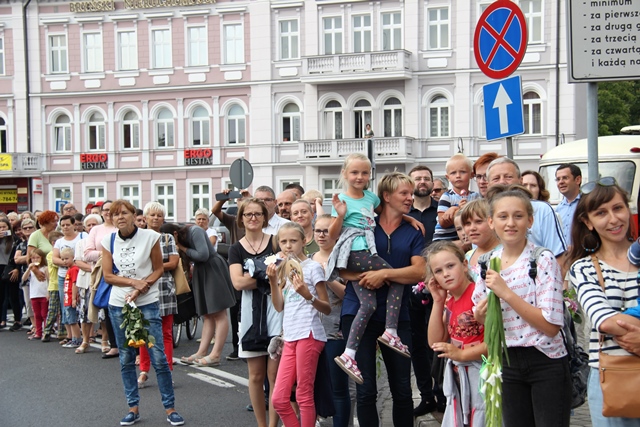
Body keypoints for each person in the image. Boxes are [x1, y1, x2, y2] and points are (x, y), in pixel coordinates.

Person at [473, 187, 571, 427]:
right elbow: (486, 319)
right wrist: (480, 315)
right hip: (507, 360)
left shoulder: (542, 259)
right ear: (491, 222)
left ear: (530, 221)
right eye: (503, 216)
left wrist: (506, 293)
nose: (510, 223)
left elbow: (551, 326)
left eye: (518, 216)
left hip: (545, 359)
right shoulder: (487, 263)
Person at [340, 171, 425, 427]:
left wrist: (384, 274)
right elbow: (342, 263)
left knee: (402, 390)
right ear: (386, 196)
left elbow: (420, 272)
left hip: (398, 318)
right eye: (404, 193)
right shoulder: (365, 223)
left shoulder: (413, 231)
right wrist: (365, 277)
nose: (410, 198)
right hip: (358, 312)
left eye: (411, 194)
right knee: (366, 391)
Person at [329, 156, 415, 384]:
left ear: (370, 175)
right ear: (345, 173)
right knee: (397, 277)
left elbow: (386, 212)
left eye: (365, 173)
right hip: (355, 253)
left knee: (368, 305)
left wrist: (408, 219)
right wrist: (340, 214)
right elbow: (332, 235)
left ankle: (349, 354)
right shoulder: (342, 199)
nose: (360, 177)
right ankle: (391, 331)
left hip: (366, 253)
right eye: (354, 172)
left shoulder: (371, 197)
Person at [102, 199, 185, 427]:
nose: (119, 217)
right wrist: (133, 283)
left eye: (124, 213)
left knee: (158, 356)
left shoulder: (150, 237)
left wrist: (140, 288)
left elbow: (158, 269)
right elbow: (108, 276)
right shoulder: (108, 240)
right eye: (115, 214)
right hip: (119, 303)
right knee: (126, 357)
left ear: (133, 215)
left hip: (147, 301)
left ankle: (170, 409)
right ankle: (133, 408)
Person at [568, 177, 640, 426]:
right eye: (601, 213)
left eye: (618, 208)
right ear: (587, 222)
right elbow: (605, 321)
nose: (613, 219)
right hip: (612, 378)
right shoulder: (584, 268)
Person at [266, 222, 331, 427]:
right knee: (279, 398)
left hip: (309, 334)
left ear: (304, 241)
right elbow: (279, 306)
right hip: (290, 336)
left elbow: (327, 307)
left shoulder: (313, 267)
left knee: (304, 393)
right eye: (283, 241)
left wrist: (308, 295)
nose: (288, 246)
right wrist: (273, 281)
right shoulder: (284, 269)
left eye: (293, 241)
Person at [228, 198, 283, 427]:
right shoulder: (236, 249)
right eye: (248, 214)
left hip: (276, 311)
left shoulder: (275, 242)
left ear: (264, 217)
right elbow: (238, 283)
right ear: (241, 219)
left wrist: (256, 276)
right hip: (250, 315)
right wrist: (267, 276)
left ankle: (273, 425)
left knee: (275, 376)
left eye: (257, 214)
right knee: (256, 376)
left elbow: (283, 275)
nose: (253, 218)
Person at [426, 241, 486, 427]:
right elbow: (435, 341)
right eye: (438, 271)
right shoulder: (450, 301)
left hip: (481, 377)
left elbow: (496, 341)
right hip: (460, 378)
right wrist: (438, 301)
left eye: (450, 266)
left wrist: (461, 354)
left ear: (465, 265)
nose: (445, 274)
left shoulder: (478, 295)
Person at [407, 165, 444, 415]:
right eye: (417, 178)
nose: (422, 182)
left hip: (440, 288)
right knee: (417, 346)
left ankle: (442, 393)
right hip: (410, 290)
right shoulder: (402, 213)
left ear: (432, 183)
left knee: (439, 344)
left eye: (426, 178)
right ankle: (426, 395)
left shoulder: (441, 212)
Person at [309, 214, 352, 427]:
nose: (322, 235)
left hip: (336, 330)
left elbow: (349, 295)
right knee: (310, 385)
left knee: (338, 388)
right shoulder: (309, 259)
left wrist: (327, 276)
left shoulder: (345, 260)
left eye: (327, 230)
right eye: (318, 230)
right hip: (310, 330)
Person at [175, 223, 236, 367]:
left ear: (175, 234)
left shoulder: (194, 231)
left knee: (219, 313)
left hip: (212, 268)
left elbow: (203, 255)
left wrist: (183, 248)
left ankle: (215, 355)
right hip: (202, 271)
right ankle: (202, 352)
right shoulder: (187, 235)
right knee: (207, 314)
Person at [486, 156, 567, 259]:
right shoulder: (483, 213)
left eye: (508, 177)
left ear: (520, 180)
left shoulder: (541, 209)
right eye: (496, 178)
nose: (502, 181)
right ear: (488, 184)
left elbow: (558, 255)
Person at [137, 202, 180, 388]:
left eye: (159, 215)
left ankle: (167, 370)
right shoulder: (138, 238)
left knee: (166, 332)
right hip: (144, 288)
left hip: (164, 289)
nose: (155, 218)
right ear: (145, 217)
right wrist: (159, 266)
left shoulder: (167, 238)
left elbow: (174, 262)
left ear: (163, 219)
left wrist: (154, 267)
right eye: (152, 215)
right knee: (144, 332)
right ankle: (144, 370)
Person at [84, 200, 119, 358]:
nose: (108, 212)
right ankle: (114, 345)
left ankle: (131, 346)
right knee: (108, 309)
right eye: (105, 210)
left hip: (122, 273)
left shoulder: (121, 227)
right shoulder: (96, 230)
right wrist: (106, 254)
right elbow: (87, 254)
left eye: (111, 209)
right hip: (103, 274)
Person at [433, 154, 481, 242]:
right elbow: (442, 222)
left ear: (471, 175)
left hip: (466, 237)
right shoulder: (447, 197)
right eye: (453, 173)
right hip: (444, 239)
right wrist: (458, 210)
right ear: (448, 177)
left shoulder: (476, 197)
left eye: (462, 172)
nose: (458, 175)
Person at [52, 215, 84, 345]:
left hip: (79, 274)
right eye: (63, 225)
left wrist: (74, 264)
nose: (65, 227)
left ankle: (83, 335)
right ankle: (69, 335)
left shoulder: (82, 237)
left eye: (68, 225)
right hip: (63, 276)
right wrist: (67, 262)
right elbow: (54, 258)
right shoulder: (59, 241)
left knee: (78, 304)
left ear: (73, 225)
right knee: (65, 305)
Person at [73, 213, 103, 353]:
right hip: (85, 281)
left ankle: (105, 341)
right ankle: (85, 341)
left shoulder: (104, 240)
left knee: (103, 313)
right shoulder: (81, 243)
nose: (91, 227)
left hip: (101, 280)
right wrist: (95, 268)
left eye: (94, 224)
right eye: (88, 225)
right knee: (84, 313)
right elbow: (78, 261)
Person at [459, 199, 501, 281]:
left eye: (478, 222)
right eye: (467, 223)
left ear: (492, 222)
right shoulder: (468, 256)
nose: (472, 228)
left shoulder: (504, 253)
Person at [14, 219, 37, 334]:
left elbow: (41, 256)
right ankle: (34, 325)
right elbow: (17, 259)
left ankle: (42, 325)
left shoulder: (38, 241)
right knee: (28, 302)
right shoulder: (21, 244)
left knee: (41, 301)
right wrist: (30, 257)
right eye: (25, 228)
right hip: (26, 275)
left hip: (39, 274)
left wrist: (26, 258)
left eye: (30, 227)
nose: (28, 230)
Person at [0, 217, 22, 331]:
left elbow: (19, 254)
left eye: (4, 227)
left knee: (13, 296)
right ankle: (2, 320)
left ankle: (17, 320)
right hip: (0, 267)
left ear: (9, 227)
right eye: (0, 227)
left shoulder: (15, 240)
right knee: (1, 296)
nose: (2, 229)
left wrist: (17, 268)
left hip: (11, 268)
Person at [41, 231, 63, 342]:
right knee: (53, 310)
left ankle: (62, 331)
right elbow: (58, 264)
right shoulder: (50, 255)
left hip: (63, 285)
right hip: (54, 285)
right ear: (54, 243)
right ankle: (47, 331)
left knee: (63, 310)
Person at [23, 248, 48, 340]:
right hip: (34, 294)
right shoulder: (31, 269)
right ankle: (38, 332)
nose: (35, 260)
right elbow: (24, 279)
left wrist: (48, 292)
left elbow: (49, 280)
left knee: (44, 314)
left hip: (43, 294)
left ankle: (46, 331)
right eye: (33, 258)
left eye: (37, 257)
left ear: (42, 258)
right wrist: (29, 269)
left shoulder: (45, 268)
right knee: (37, 315)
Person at [555, 163, 582, 247]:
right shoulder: (558, 209)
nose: (561, 182)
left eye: (565, 178)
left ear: (577, 180)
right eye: (558, 179)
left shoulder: (587, 204)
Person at [61, 247, 82, 348]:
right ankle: (73, 338)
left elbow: (75, 284)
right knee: (70, 320)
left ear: (73, 257)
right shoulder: (69, 269)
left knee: (73, 321)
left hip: (70, 298)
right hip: (67, 298)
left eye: (66, 258)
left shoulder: (74, 269)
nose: (64, 261)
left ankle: (77, 340)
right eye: (63, 259)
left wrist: (74, 298)